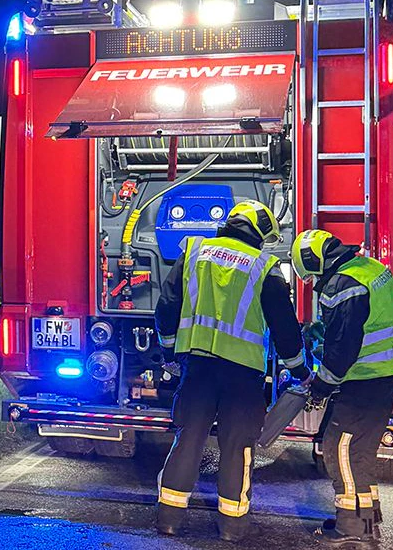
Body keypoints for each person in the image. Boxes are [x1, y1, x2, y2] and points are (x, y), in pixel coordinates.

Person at [154, 200, 307, 542]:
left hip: (197, 366)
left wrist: (168, 351)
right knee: (238, 447)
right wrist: (300, 370)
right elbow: (284, 327)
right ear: (260, 233)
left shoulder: (194, 251)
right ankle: (233, 528)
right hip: (242, 374)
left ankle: (168, 520)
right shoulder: (264, 267)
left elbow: (167, 306)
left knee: (187, 438)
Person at [292, 229, 393, 546]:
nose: (312, 282)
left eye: (309, 275)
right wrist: (320, 330)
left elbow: (342, 349)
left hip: (367, 377)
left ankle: (350, 527)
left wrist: (320, 387)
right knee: (360, 450)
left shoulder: (342, 285)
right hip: (389, 371)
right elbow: (359, 322)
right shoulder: (365, 267)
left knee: (339, 448)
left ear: (312, 262)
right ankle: (368, 518)